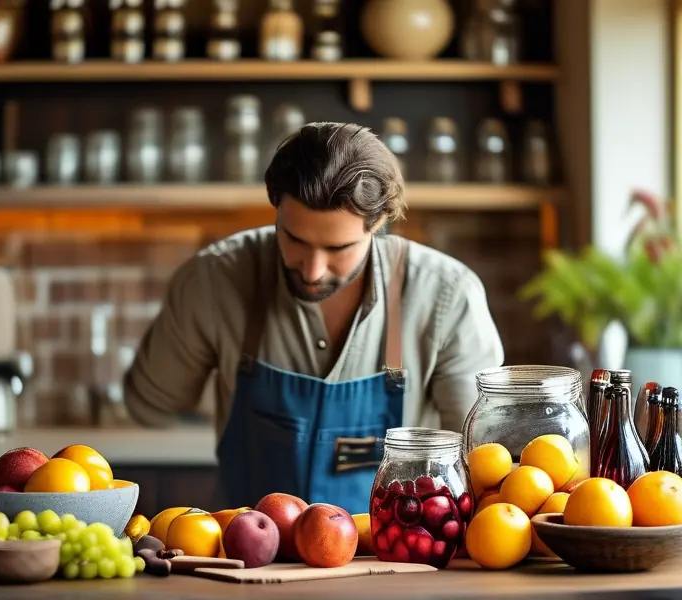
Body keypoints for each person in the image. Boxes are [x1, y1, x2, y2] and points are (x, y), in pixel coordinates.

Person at [124, 122, 504, 515]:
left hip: (396, 558)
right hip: (245, 561)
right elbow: (149, 404)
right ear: (275, 207)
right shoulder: (213, 281)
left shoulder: (447, 295)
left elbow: (480, 460)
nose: (312, 270)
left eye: (337, 248)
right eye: (295, 240)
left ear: (378, 224)